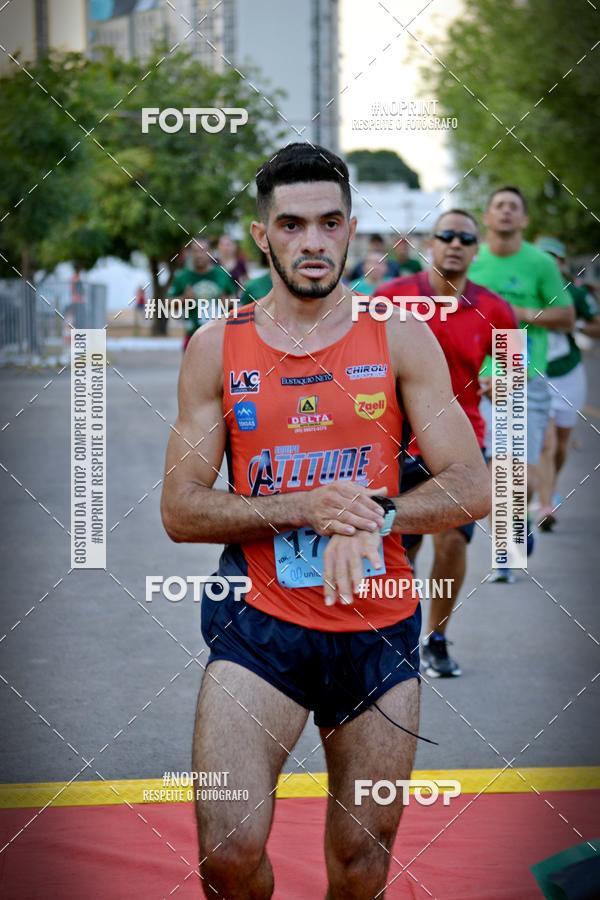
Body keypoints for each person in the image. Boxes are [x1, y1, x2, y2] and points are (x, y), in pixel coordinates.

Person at [161, 143, 490, 899]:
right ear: (261, 235)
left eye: (330, 223)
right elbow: (180, 508)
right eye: (292, 225)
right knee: (228, 855)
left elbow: (472, 485)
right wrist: (301, 508)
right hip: (261, 626)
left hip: (377, 630)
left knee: (362, 861)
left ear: (350, 229)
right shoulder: (217, 346)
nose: (313, 242)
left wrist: (374, 516)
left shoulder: (399, 336)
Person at [376, 210, 516, 677]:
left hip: (463, 441)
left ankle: (436, 637)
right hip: (399, 442)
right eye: (446, 236)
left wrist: (501, 381)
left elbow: (514, 371)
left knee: (453, 540)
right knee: (401, 546)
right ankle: (397, 635)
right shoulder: (390, 298)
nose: (455, 244)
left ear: (477, 250)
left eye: (465, 238)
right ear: (429, 244)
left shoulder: (495, 308)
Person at [469, 186, 574, 579]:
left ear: (524, 220)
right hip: (474, 367)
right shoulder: (472, 260)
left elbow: (565, 317)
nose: (507, 212)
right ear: (487, 217)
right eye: (499, 206)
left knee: (520, 472)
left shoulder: (539, 263)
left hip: (519, 358)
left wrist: (519, 312)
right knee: (499, 466)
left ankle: (518, 525)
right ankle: (506, 554)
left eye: (515, 206)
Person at [534, 237, 600, 530]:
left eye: (554, 259)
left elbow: (597, 325)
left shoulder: (574, 293)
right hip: (536, 373)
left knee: (560, 443)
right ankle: (546, 505)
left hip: (568, 372)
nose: (549, 264)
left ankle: (551, 486)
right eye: (542, 258)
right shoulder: (526, 292)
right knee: (546, 440)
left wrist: (577, 324)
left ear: (561, 264)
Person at [168, 239, 236, 349]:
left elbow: (234, 299)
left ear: (210, 253)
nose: (199, 255)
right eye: (195, 251)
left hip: (219, 335)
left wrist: (227, 302)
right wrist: (184, 298)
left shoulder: (221, 274)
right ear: (190, 254)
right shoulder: (183, 276)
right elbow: (167, 303)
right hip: (193, 335)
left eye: (203, 251)